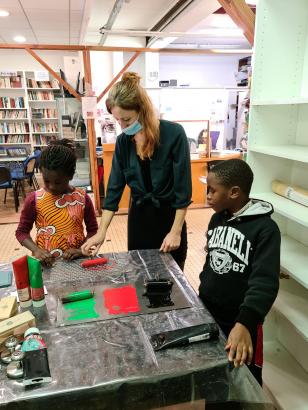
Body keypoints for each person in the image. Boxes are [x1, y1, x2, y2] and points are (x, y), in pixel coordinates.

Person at [81, 72, 192, 270]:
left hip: (170, 218)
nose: (123, 127)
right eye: (118, 121)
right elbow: (114, 189)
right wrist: (102, 231)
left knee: (174, 278)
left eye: (127, 120)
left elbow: (183, 190)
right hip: (139, 220)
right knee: (140, 274)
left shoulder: (174, 134)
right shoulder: (124, 142)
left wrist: (176, 231)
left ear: (143, 110)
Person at [198, 159, 280, 385]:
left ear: (234, 192)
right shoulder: (217, 219)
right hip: (210, 312)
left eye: (212, 190)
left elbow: (265, 282)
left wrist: (245, 323)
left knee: (243, 383)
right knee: (213, 380)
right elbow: (211, 263)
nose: (208, 196)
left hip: (241, 322)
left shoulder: (266, 229)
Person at [16, 142, 98, 265]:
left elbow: (93, 231)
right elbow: (21, 232)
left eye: (58, 182)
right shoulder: (34, 199)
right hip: (45, 265)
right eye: (46, 180)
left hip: (78, 263)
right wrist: (36, 250)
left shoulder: (82, 198)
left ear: (70, 175)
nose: (52, 186)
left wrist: (81, 250)